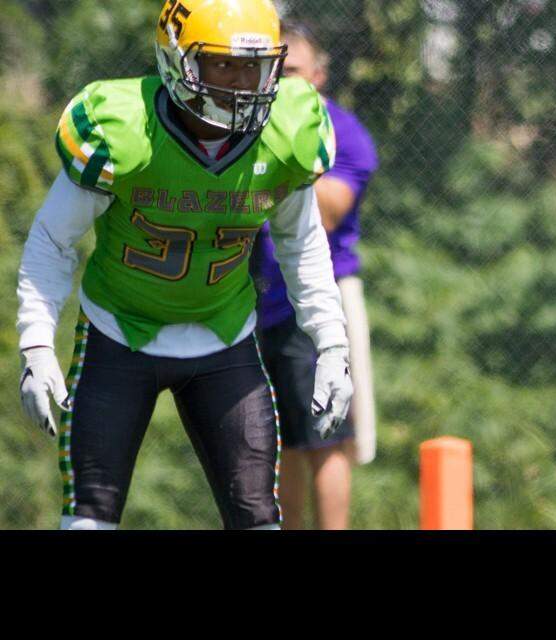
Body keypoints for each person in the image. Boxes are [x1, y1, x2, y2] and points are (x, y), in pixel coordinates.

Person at [15, 0, 353, 530]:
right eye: (224, 64)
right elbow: (51, 241)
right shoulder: (124, 128)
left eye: (255, 66)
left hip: (225, 339)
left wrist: (332, 343)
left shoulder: (286, 130)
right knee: (89, 518)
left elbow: (303, 245)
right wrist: (36, 342)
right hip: (118, 334)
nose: (242, 83)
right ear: (177, 61)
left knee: (260, 519)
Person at [249, 19, 379, 530]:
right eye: (271, 71)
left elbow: (326, 212)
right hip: (257, 301)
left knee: (325, 440)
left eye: (292, 71)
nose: (279, 82)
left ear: (319, 75)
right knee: (279, 442)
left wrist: (283, 146)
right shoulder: (244, 123)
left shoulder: (344, 134)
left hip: (319, 305)